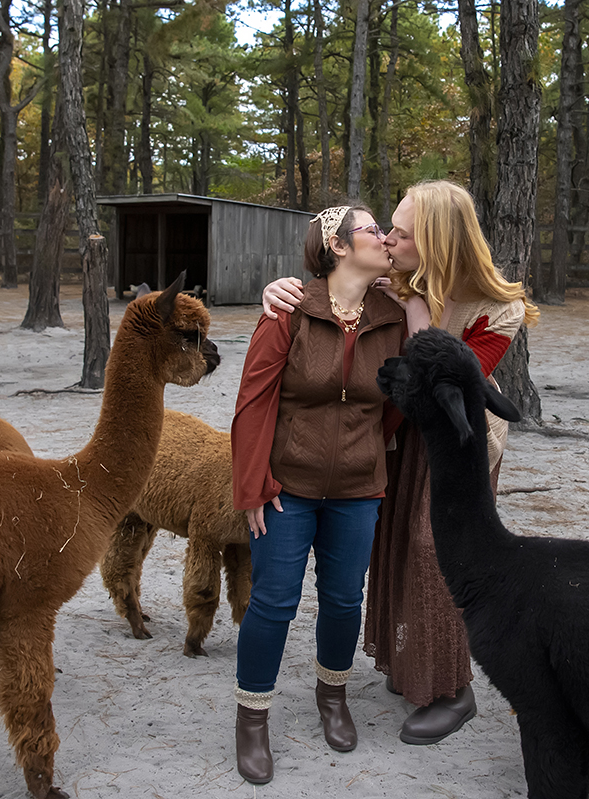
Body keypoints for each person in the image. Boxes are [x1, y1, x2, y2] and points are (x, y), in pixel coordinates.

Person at [262, 179, 539, 745]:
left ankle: (454, 690)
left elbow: (441, 374)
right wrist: (281, 289)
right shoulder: (389, 283)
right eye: (386, 227)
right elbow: (328, 298)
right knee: (391, 546)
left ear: (434, 240)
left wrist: (412, 305)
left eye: (401, 232)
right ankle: (408, 663)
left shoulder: (498, 308)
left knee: (434, 553)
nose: (387, 237)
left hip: (457, 447)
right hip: (395, 439)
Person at [230, 204, 406, 784]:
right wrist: (253, 487)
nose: (383, 237)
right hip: (287, 489)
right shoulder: (288, 311)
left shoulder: (393, 317)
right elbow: (253, 404)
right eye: (371, 229)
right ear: (336, 244)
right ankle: (252, 718)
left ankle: (333, 698)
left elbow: (392, 408)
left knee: (343, 599)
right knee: (273, 601)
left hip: (358, 490)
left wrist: (368, 461)